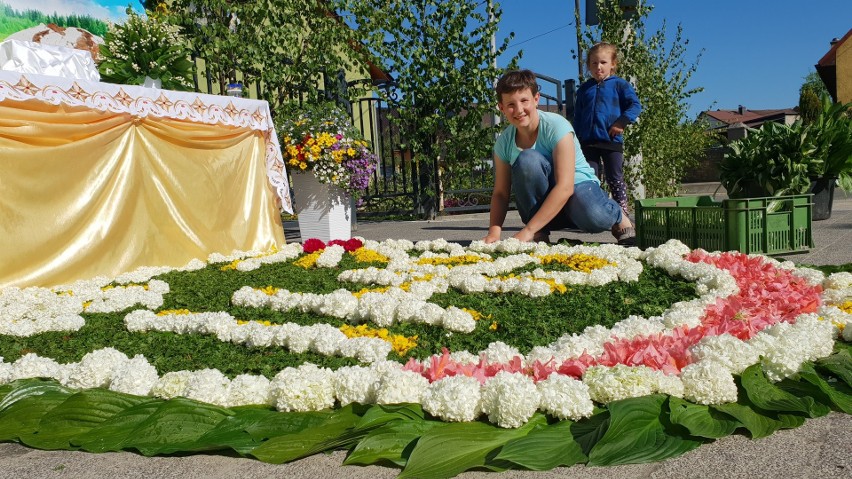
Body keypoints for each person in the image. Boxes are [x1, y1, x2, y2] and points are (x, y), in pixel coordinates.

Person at [482, 69, 636, 245]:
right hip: (547, 200)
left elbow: (565, 186)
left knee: (594, 216)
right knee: (527, 160)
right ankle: (540, 232)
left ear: (536, 99)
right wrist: (494, 233)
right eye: (510, 105)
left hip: (577, 188)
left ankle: (617, 215)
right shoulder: (504, 143)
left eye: (524, 100)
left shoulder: (556, 125)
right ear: (501, 108)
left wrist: (527, 230)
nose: (519, 110)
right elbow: (501, 193)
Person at [573, 42, 642, 217]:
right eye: (594, 63)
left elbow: (635, 105)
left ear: (613, 64)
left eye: (603, 62)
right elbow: (578, 115)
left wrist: (621, 122)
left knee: (615, 177)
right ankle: (593, 212)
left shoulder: (619, 85)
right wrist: (575, 137)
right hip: (588, 142)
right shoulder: (584, 89)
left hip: (611, 140)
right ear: (588, 66)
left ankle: (622, 212)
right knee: (589, 178)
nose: (598, 67)